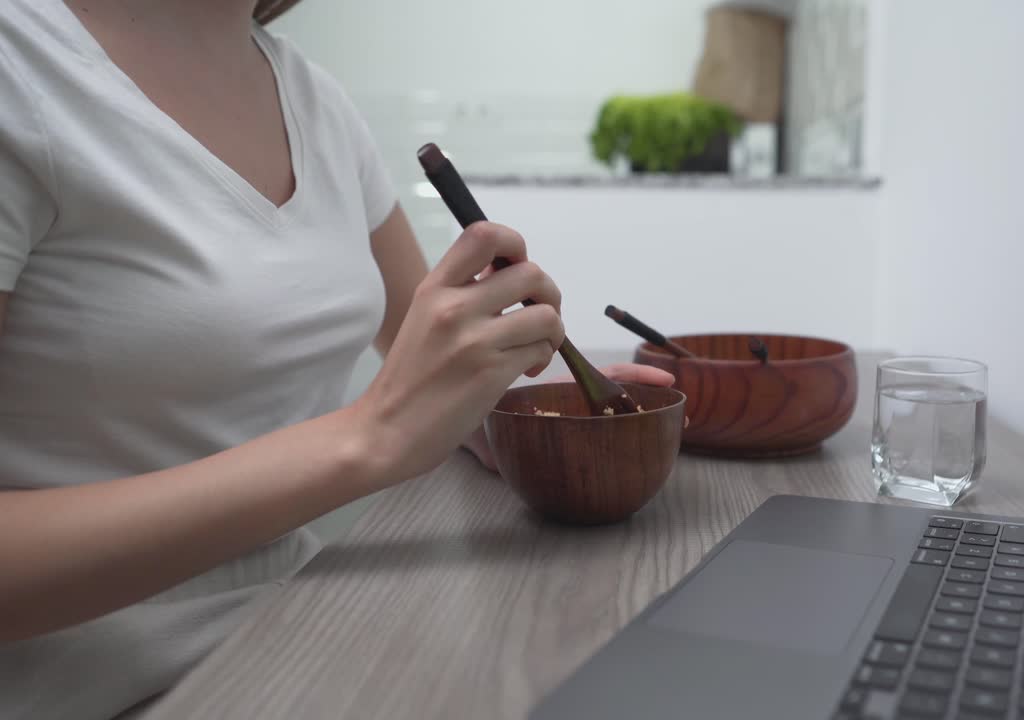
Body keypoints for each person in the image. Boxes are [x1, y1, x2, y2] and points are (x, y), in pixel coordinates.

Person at [0, 1, 674, 717]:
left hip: (304, 643)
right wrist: (368, 438)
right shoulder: (21, 67)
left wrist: (507, 413)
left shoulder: (314, 98)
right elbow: (386, 423)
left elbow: (427, 368)